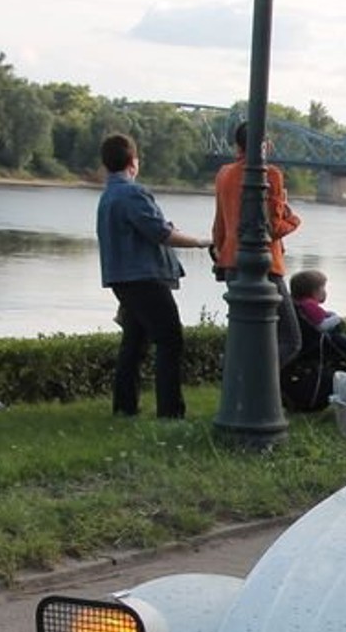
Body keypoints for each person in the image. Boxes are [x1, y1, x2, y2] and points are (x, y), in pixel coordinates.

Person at [95, 132, 213, 418]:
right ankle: (170, 413)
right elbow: (161, 233)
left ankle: (125, 408)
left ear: (106, 164)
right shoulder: (132, 192)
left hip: (122, 278)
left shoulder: (108, 195)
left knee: (134, 343)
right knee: (170, 340)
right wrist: (202, 241)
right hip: (144, 279)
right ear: (133, 162)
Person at [212, 120, 302, 368]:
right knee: (290, 339)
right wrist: (293, 220)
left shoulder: (224, 174)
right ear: (263, 146)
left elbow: (219, 225)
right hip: (265, 267)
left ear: (238, 145)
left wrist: (221, 252)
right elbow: (270, 229)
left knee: (245, 335)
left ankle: (236, 381)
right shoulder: (270, 174)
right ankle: (257, 388)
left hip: (231, 262)